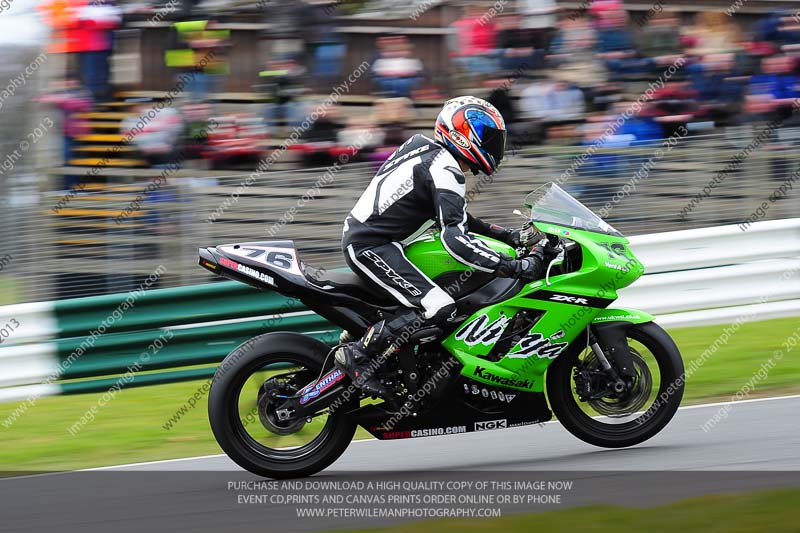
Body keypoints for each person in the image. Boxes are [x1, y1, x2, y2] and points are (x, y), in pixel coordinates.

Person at [334, 96, 551, 394]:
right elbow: (455, 239)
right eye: (489, 138)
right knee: (439, 307)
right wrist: (514, 267)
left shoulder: (426, 149)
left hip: (378, 241)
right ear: (464, 134)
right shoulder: (445, 168)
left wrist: (510, 237)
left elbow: (456, 217)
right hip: (370, 247)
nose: (495, 145)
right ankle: (357, 354)